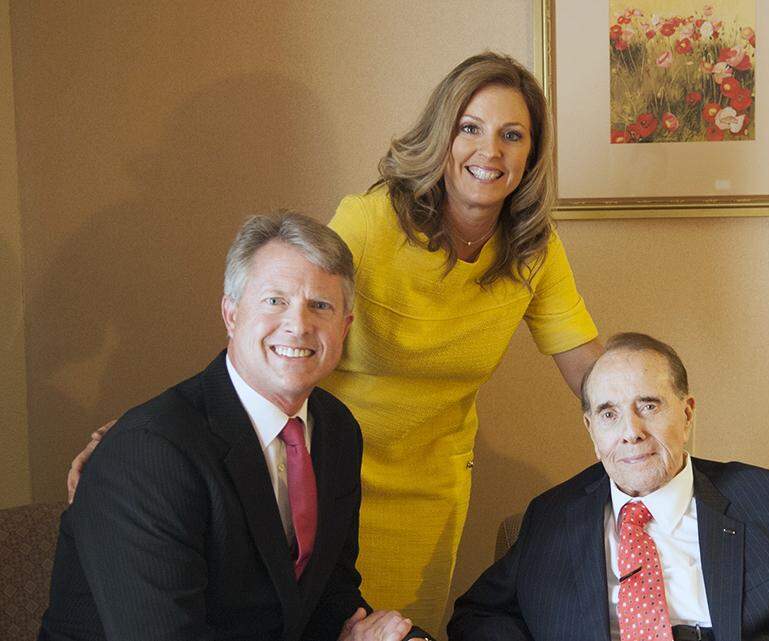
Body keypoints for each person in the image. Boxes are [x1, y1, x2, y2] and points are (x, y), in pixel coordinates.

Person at [68, 52, 602, 630]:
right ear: (441, 136)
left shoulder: (533, 250)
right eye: (469, 128)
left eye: (512, 135)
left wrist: (641, 426)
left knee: (381, 624)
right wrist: (144, 434)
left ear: (532, 152)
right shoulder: (374, 221)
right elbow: (284, 313)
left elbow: (589, 370)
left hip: (426, 486)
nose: (490, 151)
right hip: (319, 466)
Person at [41, 214, 432, 641]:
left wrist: (380, 636)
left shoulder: (337, 430)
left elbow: (326, 593)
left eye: (320, 305)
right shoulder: (150, 453)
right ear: (231, 313)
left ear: (345, 327)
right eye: (274, 300)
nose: (298, 325)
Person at [448, 333, 769, 641]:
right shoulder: (551, 517)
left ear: (687, 412)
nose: (631, 432)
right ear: (590, 429)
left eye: (648, 405)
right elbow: (479, 615)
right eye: (609, 414)